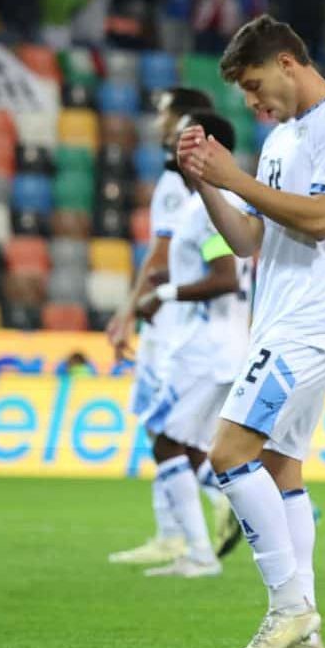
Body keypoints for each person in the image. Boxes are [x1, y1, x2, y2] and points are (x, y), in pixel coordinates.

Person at [177, 14, 325, 648]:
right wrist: (210, 184)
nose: (252, 101)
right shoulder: (279, 142)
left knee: (229, 452)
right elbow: (249, 243)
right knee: (277, 467)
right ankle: (307, 638)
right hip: (280, 318)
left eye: (254, 83)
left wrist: (234, 178)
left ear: (289, 62)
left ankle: (290, 609)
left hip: (312, 320)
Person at [107, 86, 230, 566]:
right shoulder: (213, 197)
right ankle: (187, 529)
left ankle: (194, 529)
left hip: (183, 332)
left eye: (168, 119)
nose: (163, 130)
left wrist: (136, 306)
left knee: (162, 428)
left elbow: (165, 257)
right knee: (180, 434)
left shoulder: (187, 194)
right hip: (197, 330)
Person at [130, 110, 250, 580]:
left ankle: (201, 552)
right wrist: (168, 278)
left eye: (185, 140)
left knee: (163, 439)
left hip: (205, 347)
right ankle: (220, 516)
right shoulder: (203, 206)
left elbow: (223, 278)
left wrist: (163, 293)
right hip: (217, 345)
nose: (174, 147)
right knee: (190, 447)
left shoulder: (207, 209)